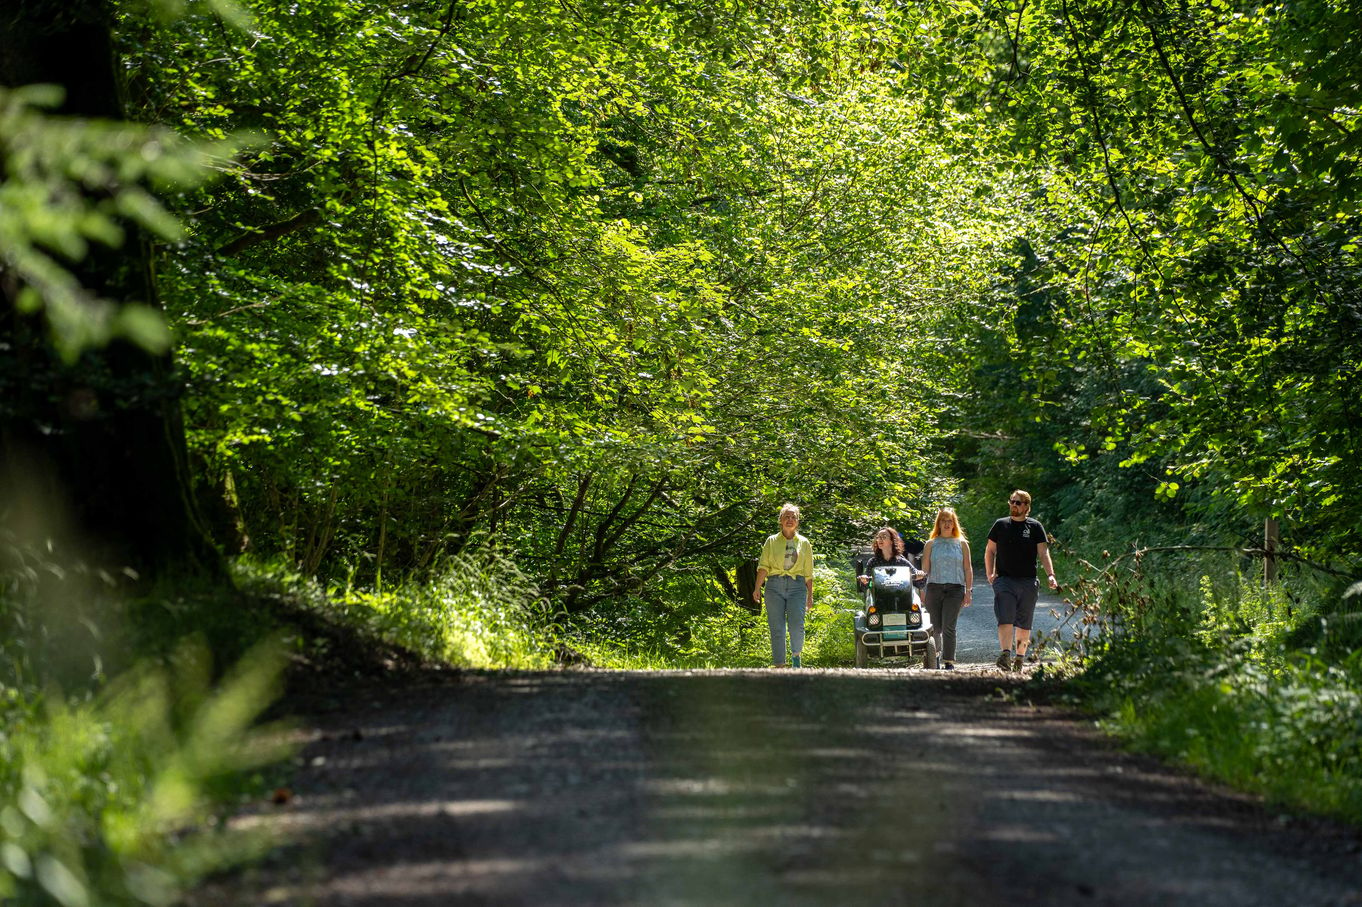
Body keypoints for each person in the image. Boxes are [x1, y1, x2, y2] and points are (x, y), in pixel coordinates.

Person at [984, 490, 1058, 672]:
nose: (1013, 505)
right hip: (1004, 580)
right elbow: (990, 550)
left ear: (1026, 506)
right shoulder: (1000, 525)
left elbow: (1043, 552)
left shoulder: (1035, 527)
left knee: (1024, 623)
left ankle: (1019, 658)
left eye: (1018, 503)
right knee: (1005, 618)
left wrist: (1050, 574)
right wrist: (989, 573)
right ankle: (1005, 654)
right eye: (1012, 502)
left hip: (1028, 581)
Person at [753, 503, 815, 667]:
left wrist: (810, 595)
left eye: (793, 517)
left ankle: (796, 658)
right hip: (774, 586)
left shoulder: (804, 543)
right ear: (780, 520)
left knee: (797, 625)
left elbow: (808, 572)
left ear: (797, 521)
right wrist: (757, 587)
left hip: (797, 587)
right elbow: (763, 566)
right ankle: (780, 665)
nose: (790, 519)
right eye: (786, 516)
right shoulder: (771, 541)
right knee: (777, 627)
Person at [920, 508, 972, 670]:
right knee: (935, 627)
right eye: (944, 520)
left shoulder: (962, 544)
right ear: (939, 523)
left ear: (954, 523)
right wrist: (921, 590)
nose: (947, 524)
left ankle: (948, 661)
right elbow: (924, 570)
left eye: (950, 521)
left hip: (956, 589)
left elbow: (968, 569)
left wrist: (968, 591)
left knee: (949, 626)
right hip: (934, 588)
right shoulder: (931, 544)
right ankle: (933, 657)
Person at [856, 526, 918, 591]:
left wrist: (919, 574)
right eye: (878, 537)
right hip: (878, 598)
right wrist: (865, 580)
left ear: (892, 541)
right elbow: (867, 586)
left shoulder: (901, 561)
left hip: (900, 596)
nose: (880, 539)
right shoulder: (873, 562)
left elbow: (917, 576)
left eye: (884, 537)